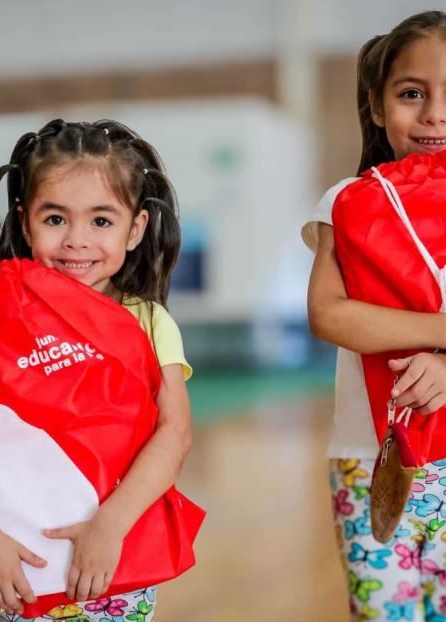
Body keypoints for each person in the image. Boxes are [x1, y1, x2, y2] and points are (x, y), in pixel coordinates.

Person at [0, 119, 195, 622]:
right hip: (26, 556)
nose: (77, 241)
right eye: (55, 219)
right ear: (25, 221)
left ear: (135, 228)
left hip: (115, 553)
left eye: (101, 221)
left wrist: (111, 525)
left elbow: (175, 432)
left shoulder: (148, 321)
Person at [305, 11, 446, 619]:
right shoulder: (350, 201)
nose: (435, 114)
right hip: (372, 455)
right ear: (377, 104)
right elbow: (331, 314)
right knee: (383, 612)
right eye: (412, 94)